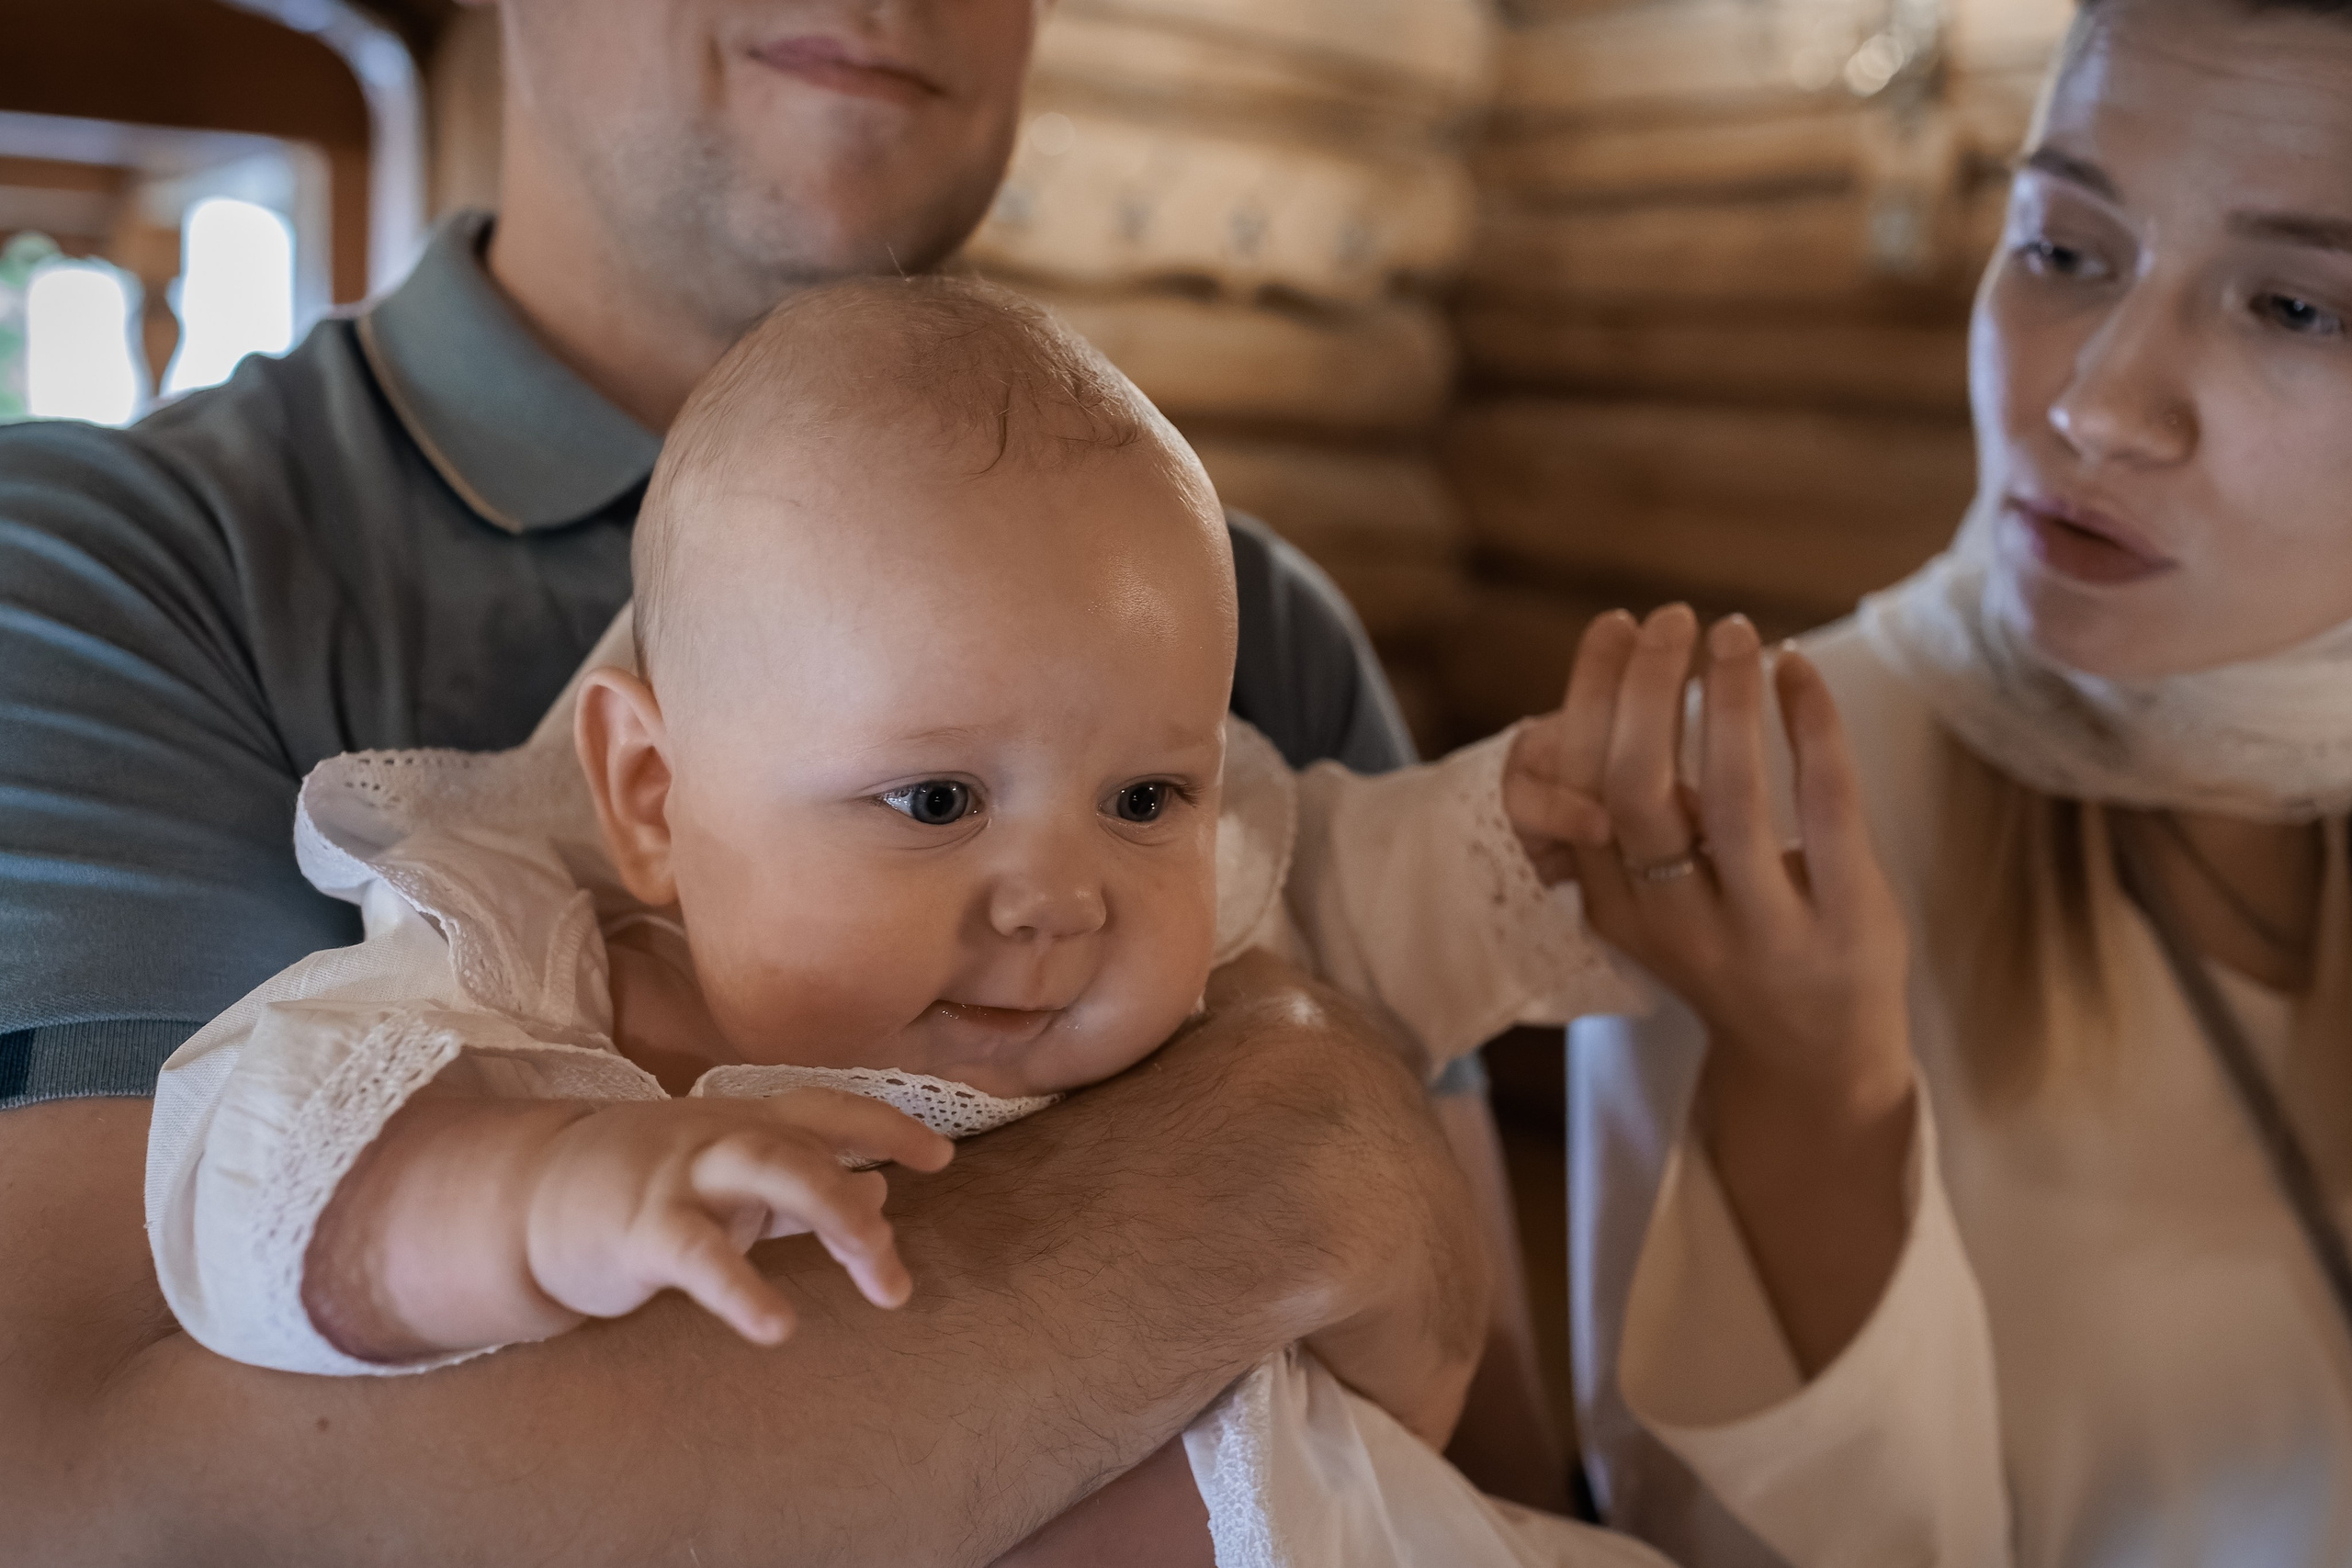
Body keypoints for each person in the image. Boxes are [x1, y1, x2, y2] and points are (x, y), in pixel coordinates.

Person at [0, 2, 1544, 1559]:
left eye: (1147, 802)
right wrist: (1282, 1160)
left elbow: (1503, 1468)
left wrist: (1584, 852)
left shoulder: (1226, 609)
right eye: (934, 799)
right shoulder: (102, 583)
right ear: (647, 793)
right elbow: (110, 1492)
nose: (1061, 902)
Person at [1532, 0, 2352, 1560]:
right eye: (2064, 248)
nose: (2095, 403)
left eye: (2295, 308)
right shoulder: (1767, 790)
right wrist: (1816, 1096)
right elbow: (1690, 1530)